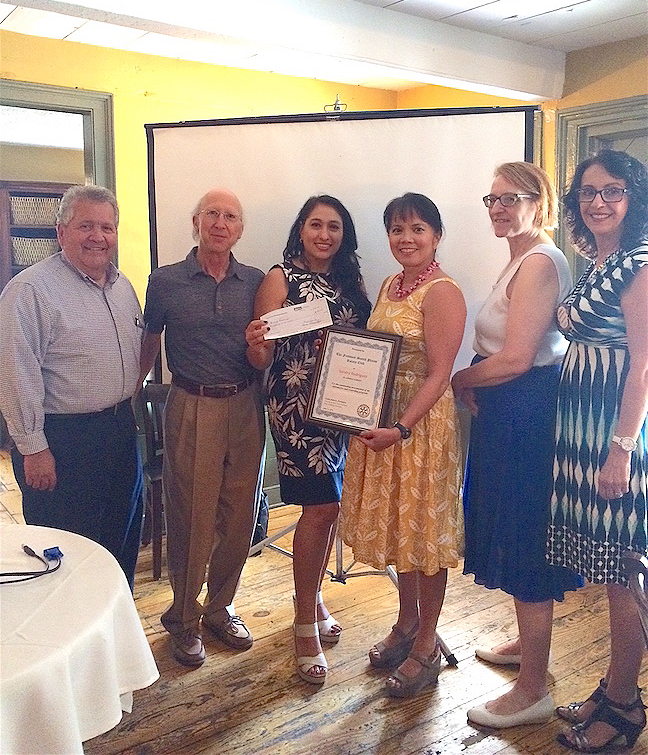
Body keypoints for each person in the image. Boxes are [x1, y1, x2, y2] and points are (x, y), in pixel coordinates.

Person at [451, 163, 582, 728]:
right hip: (510, 410)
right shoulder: (521, 257)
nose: (498, 208)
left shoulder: (538, 263)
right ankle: (530, 651)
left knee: (526, 535)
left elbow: (517, 359)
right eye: (492, 199)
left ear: (540, 200)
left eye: (511, 198)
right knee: (511, 523)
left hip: (527, 414)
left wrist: (459, 380)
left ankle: (533, 690)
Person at [341, 192, 466, 698]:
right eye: (396, 229)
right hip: (386, 423)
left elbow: (440, 373)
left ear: (435, 236)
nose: (405, 238)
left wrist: (404, 428)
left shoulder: (443, 291)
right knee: (402, 534)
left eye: (417, 229)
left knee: (426, 539)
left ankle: (427, 644)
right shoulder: (393, 284)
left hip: (421, 430)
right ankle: (407, 621)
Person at [246, 195, 371, 684]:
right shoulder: (280, 277)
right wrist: (257, 344)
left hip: (343, 409)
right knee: (319, 508)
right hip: (297, 410)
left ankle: (313, 597)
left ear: (344, 234)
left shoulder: (349, 281)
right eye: (316, 225)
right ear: (301, 230)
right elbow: (261, 359)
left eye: (334, 226)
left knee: (331, 507)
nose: (324, 234)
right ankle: (303, 624)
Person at [547, 150, 648, 752]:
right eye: (588, 192)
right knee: (607, 566)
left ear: (634, 198)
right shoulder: (602, 260)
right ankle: (612, 685)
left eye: (613, 191)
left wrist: (620, 449)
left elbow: (644, 363)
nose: (598, 202)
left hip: (613, 433)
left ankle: (626, 706)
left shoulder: (638, 262)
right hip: (581, 431)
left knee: (622, 570)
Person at [139, 188, 265, 667]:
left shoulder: (254, 281)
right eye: (211, 213)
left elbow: (264, 345)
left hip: (246, 405)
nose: (220, 222)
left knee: (239, 515)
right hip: (190, 404)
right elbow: (150, 344)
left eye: (230, 216)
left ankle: (219, 608)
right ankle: (183, 619)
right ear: (196, 221)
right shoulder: (165, 281)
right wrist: (132, 393)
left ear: (239, 229)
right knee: (191, 515)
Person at [0, 185, 143, 587]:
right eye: (85, 226)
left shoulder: (123, 286)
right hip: (63, 440)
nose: (98, 237)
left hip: (119, 430)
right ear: (61, 232)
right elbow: (14, 373)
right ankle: (72, 638)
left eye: (106, 227)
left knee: (121, 536)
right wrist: (33, 448)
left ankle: (115, 629)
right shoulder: (29, 291)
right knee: (67, 549)